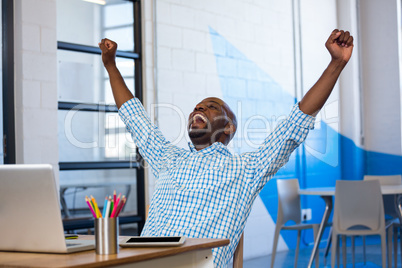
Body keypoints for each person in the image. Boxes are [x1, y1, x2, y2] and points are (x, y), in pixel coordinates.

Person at [98, 29, 354, 267]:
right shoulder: (168, 158)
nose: (198, 108)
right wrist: (111, 65)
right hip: (139, 261)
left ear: (229, 127)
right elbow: (134, 117)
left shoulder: (245, 169)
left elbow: (295, 123)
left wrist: (336, 63)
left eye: (210, 106)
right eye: (197, 106)